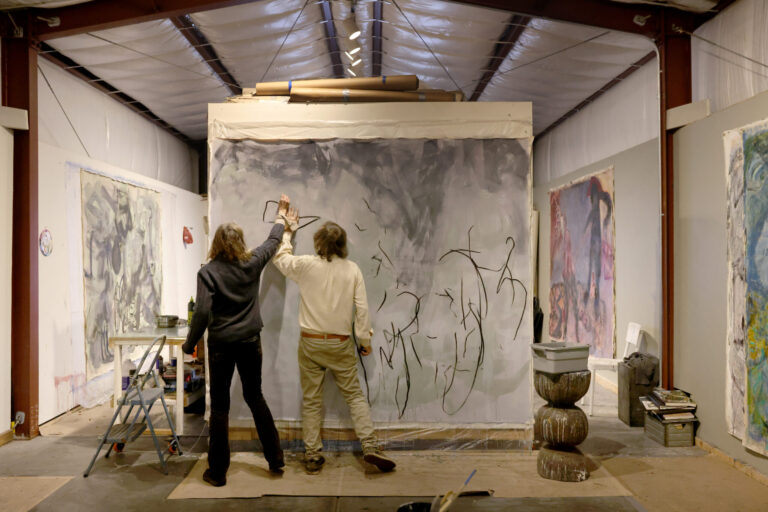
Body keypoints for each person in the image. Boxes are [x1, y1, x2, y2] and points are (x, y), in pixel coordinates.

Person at [272, 195, 396, 474]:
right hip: (340, 344)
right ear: (343, 246)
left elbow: (280, 258)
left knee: (312, 400)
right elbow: (362, 311)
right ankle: (371, 446)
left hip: (311, 343)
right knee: (354, 396)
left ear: (318, 243)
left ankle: (313, 455)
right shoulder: (352, 270)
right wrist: (364, 342)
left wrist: (288, 233)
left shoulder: (306, 265)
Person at [182, 199, 290, 487]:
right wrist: (281, 216)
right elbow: (272, 241)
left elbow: (202, 312)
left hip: (221, 347)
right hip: (250, 342)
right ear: (240, 241)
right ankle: (275, 458)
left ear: (216, 242)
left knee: (220, 407)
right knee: (255, 397)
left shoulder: (208, 272)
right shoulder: (252, 263)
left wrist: (189, 344)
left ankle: (217, 473)